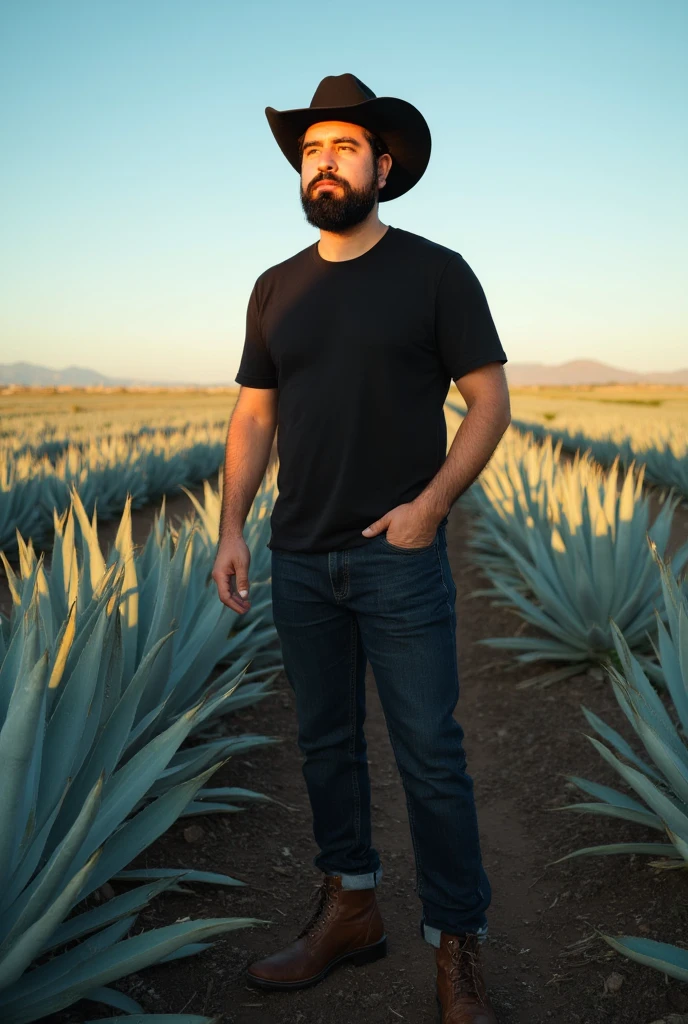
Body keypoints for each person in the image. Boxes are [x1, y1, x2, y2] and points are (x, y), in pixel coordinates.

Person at [211, 72, 511, 1023]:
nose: (323, 163)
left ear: (383, 164)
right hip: (300, 557)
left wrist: (429, 508)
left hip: (398, 556)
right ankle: (350, 911)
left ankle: (457, 945)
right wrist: (231, 527)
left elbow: (489, 402)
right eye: (310, 151)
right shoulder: (275, 288)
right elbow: (255, 415)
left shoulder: (436, 271)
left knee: (430, 751)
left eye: (342, 147)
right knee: (326, 747)